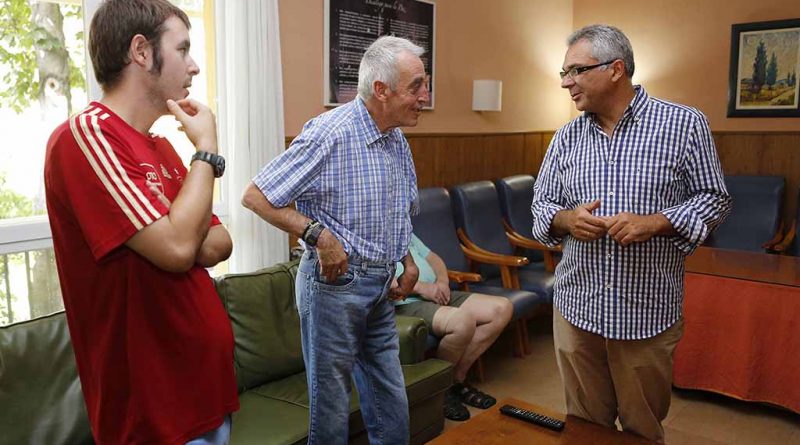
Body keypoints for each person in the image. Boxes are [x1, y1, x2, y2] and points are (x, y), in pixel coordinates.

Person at [44, 1, 238, 443]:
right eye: (183, 49)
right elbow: (176, 250)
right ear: (141, 52)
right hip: (152, 412)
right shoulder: (87, 136)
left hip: (207, 394)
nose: (193, 67)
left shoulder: (163, 150)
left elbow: (216, 244)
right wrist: (206, 150)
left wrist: (181, 227)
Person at [530, 24, 731, 443]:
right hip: (576, 307)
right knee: (585, 425)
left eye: (576, 71)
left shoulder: (684, 124)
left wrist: (657, 222)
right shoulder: (566, 137)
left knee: (641, 428)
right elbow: (540, 206)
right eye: (563, 73)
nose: (566, 82)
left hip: (645, 310)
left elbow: (715, 199)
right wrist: (566, 220)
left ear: (616, 69)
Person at [241, 36, 429, 445]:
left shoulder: (396, 137)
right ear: (381, 90)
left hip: (380, 286)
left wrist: (408, 260)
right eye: (416, 86)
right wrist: (317, 234)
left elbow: (399, 210)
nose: (425, 96)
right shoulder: (329, 133)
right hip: (333, 287)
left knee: (389, 395)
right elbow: (256, 196)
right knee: (330, 408)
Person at [393, 234, 513, 421]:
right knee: (462, 321)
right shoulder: (370, 228)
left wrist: (442, 281)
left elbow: (433, 258)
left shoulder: (402, 227)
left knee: (502, 309)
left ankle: (454, 381)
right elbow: (381, 279)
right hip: (404, 302)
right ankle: (441, 388)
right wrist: (422, 288)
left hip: (435, 293)